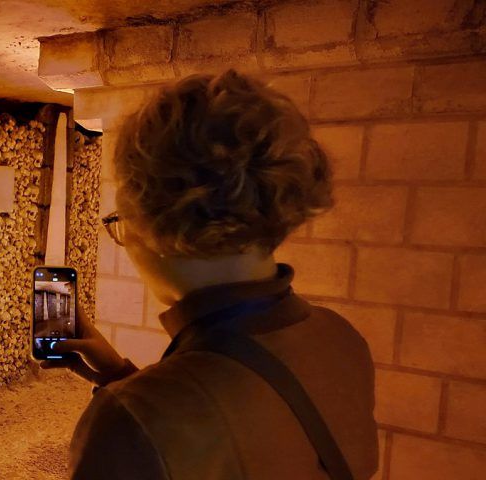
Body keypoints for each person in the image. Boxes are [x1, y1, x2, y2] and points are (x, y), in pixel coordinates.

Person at [42, 70, 379, 479]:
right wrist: (119, 376)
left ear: (151, 221)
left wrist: (133, 402)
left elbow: (178, 433)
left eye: (120, 220)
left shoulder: (131, 422)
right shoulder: (340, 338)